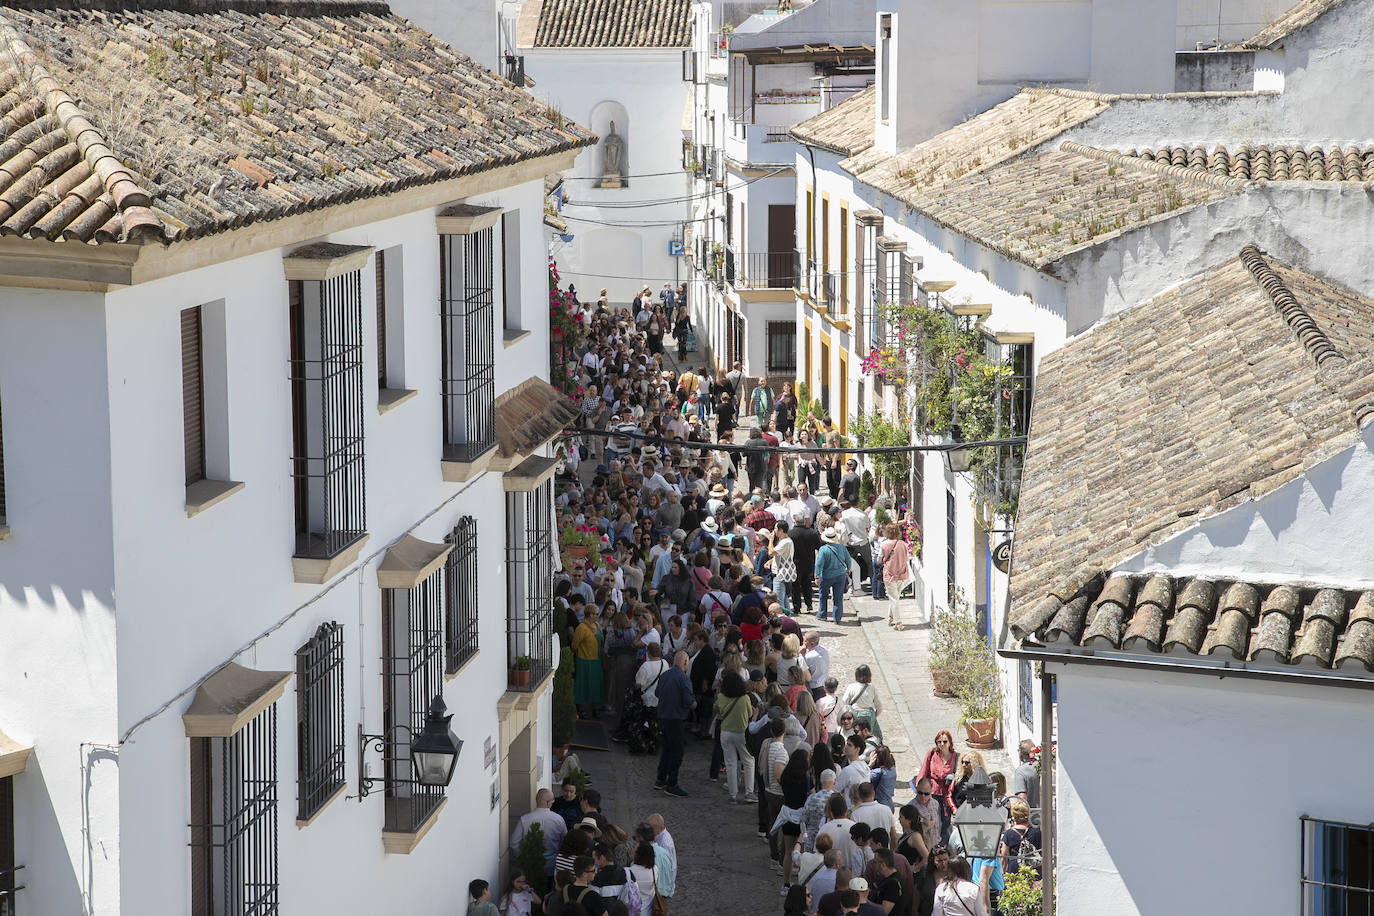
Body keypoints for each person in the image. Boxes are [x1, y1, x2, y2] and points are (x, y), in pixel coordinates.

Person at [654, 650, 696, 796]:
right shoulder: (684, 679)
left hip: (663, 717)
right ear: (685, 662)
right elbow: (689, 700)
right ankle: (672, 783)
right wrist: (695, 704)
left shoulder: (665, 675)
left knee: (666, 749)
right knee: (676, 752)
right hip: (676, 719)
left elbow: (657, 693)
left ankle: (660, 779)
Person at [509, 788, 569, 883]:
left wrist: (523, 857)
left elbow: (513, 843)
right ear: (549, 802)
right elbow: (566, 841)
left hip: (531, 865)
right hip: (553, 864)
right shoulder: (558, 819)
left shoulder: (525, 819)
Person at [916, 732, 960, 843]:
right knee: (932, 822)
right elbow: (923, 771)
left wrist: (953, 777)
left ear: (950, 742)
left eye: (944, 741)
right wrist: (919, 790)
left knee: (945, 823)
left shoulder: (956, 757)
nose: (941, 744)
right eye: (939, 741)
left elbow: (960, 775)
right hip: (932, 792)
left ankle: (944, 847)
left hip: (947, 795)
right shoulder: (931, 754)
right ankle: (932, 845)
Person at [879, 524, 913, 629]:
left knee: (893, 598)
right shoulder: (903, 544)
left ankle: (898, 622)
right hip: (902, 573)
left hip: (889, 575)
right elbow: (907, 558)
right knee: (895, 597)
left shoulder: (884, 545)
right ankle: (890, 616)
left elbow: (879, 560)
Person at [573, 611, 604, 719]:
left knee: (595, 684)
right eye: (595, 613)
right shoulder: (581, 627)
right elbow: (574, 645)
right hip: (584, 661)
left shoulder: (597, 625)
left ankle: (595, 707)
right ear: (589, 614)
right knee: (583, 684)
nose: (597, 615)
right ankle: (582, 709)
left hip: (596, 660)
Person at [1000, 799, 1043, 877]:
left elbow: (1004, 855)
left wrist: (1002, 873)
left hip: (1015, 870)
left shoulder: (1008, 833)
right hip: (1034, 868)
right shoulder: (1037, 831)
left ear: (1014, 816)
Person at [816, 526, 850, 624]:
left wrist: (817, 576)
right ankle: (837, 617)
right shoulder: (842, 547)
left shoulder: (823, 549)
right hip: (840, 575)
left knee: (823, 595)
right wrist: (848, 569)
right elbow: (848, 559)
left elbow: (819, 564)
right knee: (838, 597)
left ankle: (822, 614)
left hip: (826, 575)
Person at [790, 514, 821, 615]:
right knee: (807, 583)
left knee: (795, 586)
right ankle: (809, 603)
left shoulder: (790, 534)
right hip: (809, 562)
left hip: (795, 563)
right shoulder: (812, 533)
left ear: (794, 522)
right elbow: (819, 547)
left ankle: (797, 607)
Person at [896, 804, 930, 874]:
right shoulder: (907, 833)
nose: (899, 819)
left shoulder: (915, 836)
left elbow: (926, 856)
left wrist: (915, 868)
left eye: (901, 817)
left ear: (909, 820)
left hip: (908, 873)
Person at [626, 843, 658, 916]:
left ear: (638, 855)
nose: (632, 850)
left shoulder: (629, 871)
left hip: (634, 911)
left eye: (635, 848)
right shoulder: (654, 869)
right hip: (649, 910)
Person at [1013, 739, 1040, 810]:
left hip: (1033, 815)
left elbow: (1022, 798)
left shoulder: (1021, 771)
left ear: (1020, 753)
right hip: (1049, 813)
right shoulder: (1043, 765)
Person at [870, 745, 898, 810]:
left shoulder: (878, 772)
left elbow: (864, 777)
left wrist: (870, 765)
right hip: (889, 803)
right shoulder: (892, 769)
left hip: (879, 804)